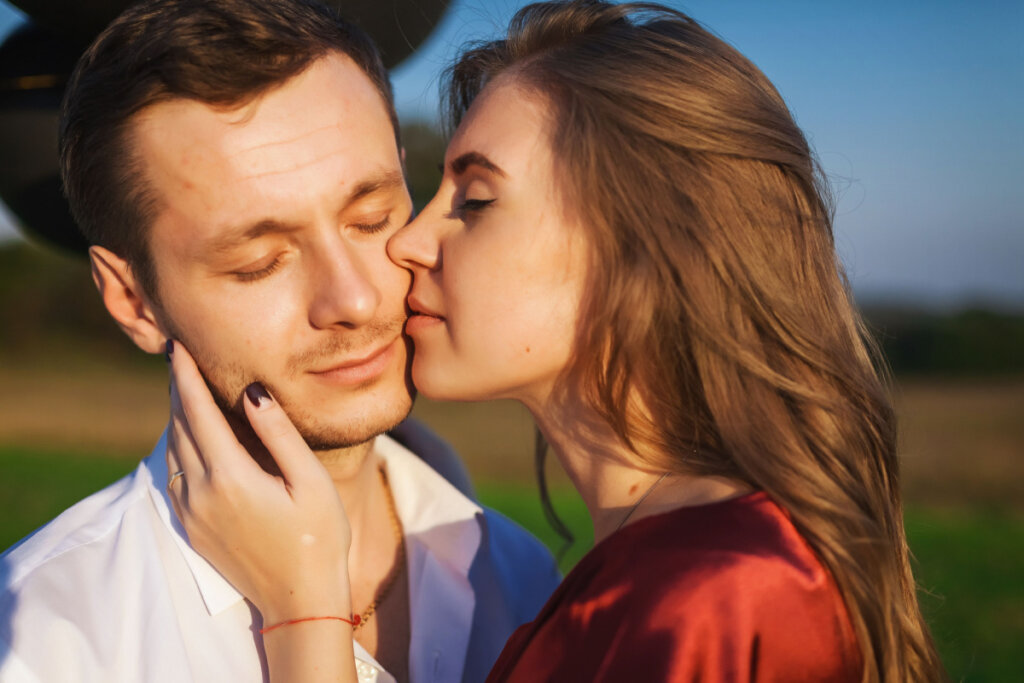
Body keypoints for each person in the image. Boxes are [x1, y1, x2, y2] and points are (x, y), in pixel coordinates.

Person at [164, 1, 952, 681]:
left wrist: (306, 615)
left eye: (473, 200)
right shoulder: (645, 569)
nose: (407, 243)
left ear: (638, 246)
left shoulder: (719, 595)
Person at [0, 1, 561, 682]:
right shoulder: (46, 639)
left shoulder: (525, 578)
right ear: (133, 300)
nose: (353, 298)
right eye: (258, 262)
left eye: (372, 217)